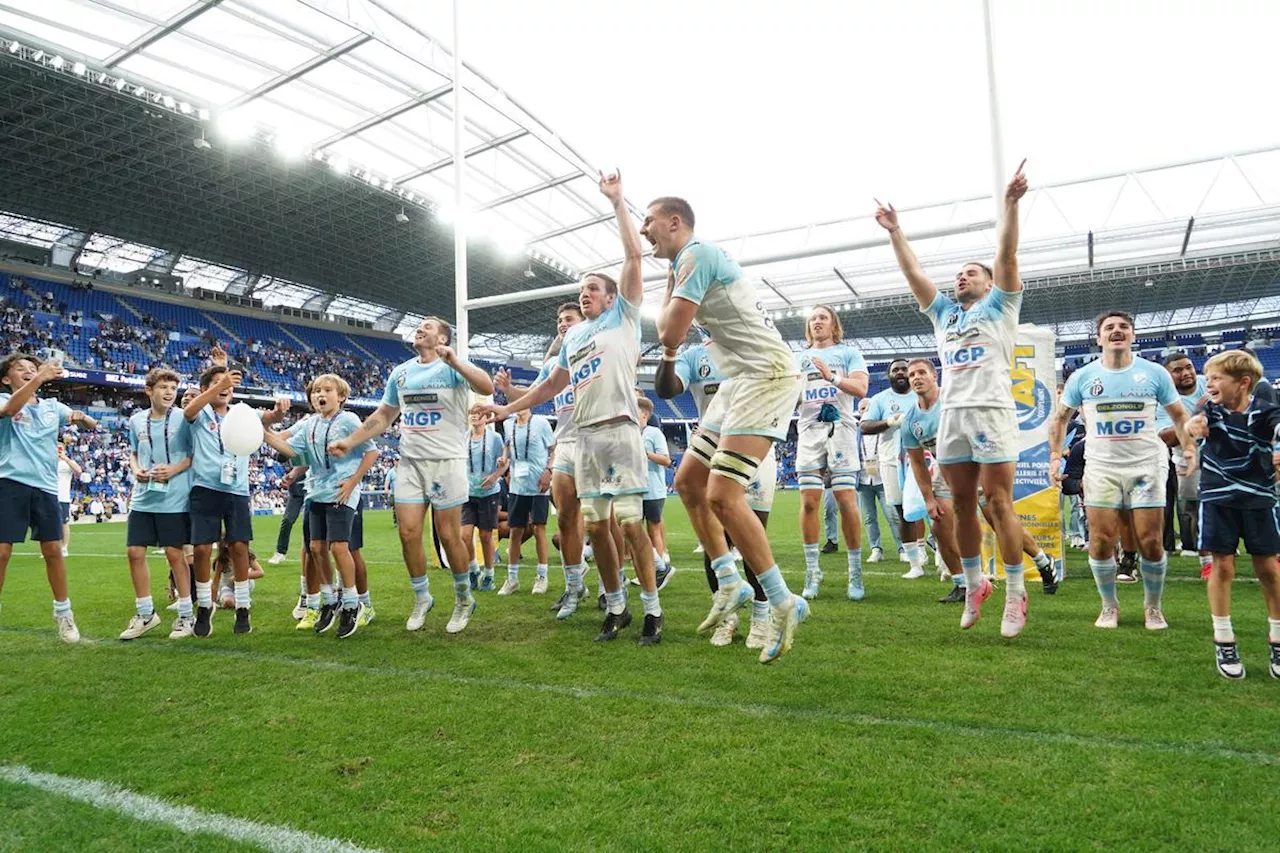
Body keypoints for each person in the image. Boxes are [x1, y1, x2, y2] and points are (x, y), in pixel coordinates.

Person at [475, 171, 664, 645]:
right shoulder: (573, 337)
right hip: (583, 438)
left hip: (620, 430)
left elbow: (634, 255)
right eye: (582, 289)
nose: (585, 293)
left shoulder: (624, 318)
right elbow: (547, 387)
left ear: (612, 297)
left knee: (631, 523)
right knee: (595, 527)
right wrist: (504, 408)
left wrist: (618, 202)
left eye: (593, 288)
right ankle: (615, 605)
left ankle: (652, 610)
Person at [876, 163, 1033, 637]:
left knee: (999, 503)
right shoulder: (944, 314)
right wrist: (896, 232)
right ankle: (973, 583)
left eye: (971, 273)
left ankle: (1015, 592)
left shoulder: (1002, 304)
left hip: (992, 412)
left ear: (989, 282)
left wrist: (1010, 202)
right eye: (959, 274)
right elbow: (913, 272)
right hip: (954, 418)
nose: (961, 277)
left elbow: (1006, 251)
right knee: (961, 504)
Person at [650, 192, 808, 664]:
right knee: (688, 483)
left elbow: (668, 335)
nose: (644, 231)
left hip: (767, 374)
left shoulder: (697, 254)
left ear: (674, 222)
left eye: (649, 222)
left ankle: (782, 600)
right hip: (741, 379)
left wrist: (670, 286)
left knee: (723, 495)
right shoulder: (688, 261)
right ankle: (729, 580)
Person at [329, 317, 494, 635]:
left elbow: (485, 387)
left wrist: (456, 361)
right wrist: (350, 441)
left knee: (449, 536)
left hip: (447, 460)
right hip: (410, 461)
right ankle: (422, 597)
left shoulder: (452, 367)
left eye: (429, 326)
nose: (420, 328)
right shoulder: (401, 372)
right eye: (419, 325)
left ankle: (463, 598)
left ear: (443, 337)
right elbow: (384, 414)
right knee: (407, 533)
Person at [1051, 312, 1197, 631]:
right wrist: (1053, 457)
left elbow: (1178, 414)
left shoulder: (1154, 373)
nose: (1117, 331)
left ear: (1132, 336)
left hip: (1145, 464)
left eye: (1123, 328)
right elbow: (1061, 419)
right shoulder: (1083, 377)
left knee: (1151, 541)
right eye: (1109, 328)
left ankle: (1153, 607)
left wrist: (1188, 448)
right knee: (1101, 541)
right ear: (1099, 338)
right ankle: (1108, 606)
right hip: (1102, 466)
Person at [654, 336, 773, 648]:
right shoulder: (694, 355)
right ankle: (726, 618)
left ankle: (762, 616)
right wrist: (669, 348)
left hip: (756, 448)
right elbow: (667, 389)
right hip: (712, 450)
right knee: (714, 542)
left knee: (753, 537)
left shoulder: (752, 339)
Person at [1186, 349, 1280, 680]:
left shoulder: (1266, 410)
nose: (1208, 383)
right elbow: (1195, 422)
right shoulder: (1209, 411)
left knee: (1268, 568)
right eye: (1207, 377)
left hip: (1258, 499)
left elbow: (1277, 426)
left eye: (1215, 378)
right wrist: (1192, 425)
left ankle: (1277, 638)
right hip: (1217, 498)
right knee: (1222, 565)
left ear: (1242, 383)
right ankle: (1223, 638)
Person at [264, 373, 379, 638]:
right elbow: (291, 450)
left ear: (341, 396)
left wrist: (352, 483)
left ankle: (351, 604)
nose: (320, 394)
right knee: (316, 548)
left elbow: (372, 451)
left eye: (327, 390)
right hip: (315, 493)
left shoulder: (349, 420)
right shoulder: (309, 424)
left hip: (341, 493)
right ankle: (328, 600)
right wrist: (262, 433)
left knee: (340, 547)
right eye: (316, 390)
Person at [497, 303, 591, 619]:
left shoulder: (597, 349)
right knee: (567, 519)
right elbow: (537, 392)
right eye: (560, 321)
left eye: (570, 319)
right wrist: (509, 390)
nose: (563, 325)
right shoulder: (554, 363)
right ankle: (574, 585)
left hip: (597, 439)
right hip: (566, 443)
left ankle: (612, 587)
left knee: (604, 523)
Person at [182, 358, 288, 637]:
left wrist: (277, 413)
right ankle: (204, 606)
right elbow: (188, 410)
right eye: (216, 384)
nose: (224, 387)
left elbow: (267, 421)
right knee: (203, 549)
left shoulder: (242, 413)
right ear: (204, 388)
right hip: (205, 488)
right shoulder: (200, 413)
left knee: (239, 547)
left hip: (237, 489)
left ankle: (243, 606)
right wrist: (219, 383)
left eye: (227, 384)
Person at [0, 354, 97, 642]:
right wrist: (40, 377)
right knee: (2, 551)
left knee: (53, 550)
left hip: (45, 487)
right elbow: (8, 409)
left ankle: (63, 613)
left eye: (33, 369)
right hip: (10, 482)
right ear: (7, 378)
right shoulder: (3, 399)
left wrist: (84, 418)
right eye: (22, 369)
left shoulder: (53, 407)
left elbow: (88, 424)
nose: (30, 372)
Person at [793, 306, 869, 601]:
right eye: (812, 319)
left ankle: (855, 571)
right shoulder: (796, 358)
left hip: (842, 431)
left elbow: (861, 388)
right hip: (809, 431)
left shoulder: (848, 353)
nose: (817, 322)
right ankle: (812, 571)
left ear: (833, 325)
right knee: (809, 502)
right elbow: (790, 394)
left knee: (847, 501)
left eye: (823, 317)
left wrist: (832, 378)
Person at [120, 368, 195, 640]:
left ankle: (186, 615)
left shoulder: (184, 419)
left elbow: (193, 456)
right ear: (148, 390)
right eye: (163, 387)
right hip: (143, 496)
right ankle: (146, 613)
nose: (168, 392)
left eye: (172, 389)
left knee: (175, 555)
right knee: (134, 553)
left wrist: (174, 470)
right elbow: (132, 453)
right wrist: (136, 469)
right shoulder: (136, 420)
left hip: (174, 498)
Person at [898, 360, 966, 603]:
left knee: (999, 519)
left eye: (921, 373)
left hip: (976, 468)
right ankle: (963, 584)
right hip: (946, 474)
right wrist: (928, 499)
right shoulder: (910, 420)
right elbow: (917, 462)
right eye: (912, 374)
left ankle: (1040, 560)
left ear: (934, 375)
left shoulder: (954, 402)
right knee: (939, 526)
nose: (916, 377)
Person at [859, 359, 916, 568]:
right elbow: (864, 426)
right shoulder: (879, 399)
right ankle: (914, 561)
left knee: (933, 510)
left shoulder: (922, 394)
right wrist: (890, 422)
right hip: (892, 462)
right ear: (888, 375)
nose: (901, 373)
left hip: (923, 461)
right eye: (896, 370)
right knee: (902, 512)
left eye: (904, 369)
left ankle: (937, 553)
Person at [1163, 352, 1213, 576]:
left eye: (1188, 367)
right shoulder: (1166, 399)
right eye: (1177, 370)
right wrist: (1194, 416)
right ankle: (1194, 547)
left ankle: (1220, 546)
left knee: (1219, 504)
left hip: (1220, 454)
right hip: (1185, 458)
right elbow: (1166, 437)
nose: (1185, 373)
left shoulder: (1209, 384)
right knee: (1191, 505)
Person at [500, 407, 555, 596]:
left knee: (539, 528)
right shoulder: (508, 424)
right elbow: (507, 446)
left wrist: (549, 471)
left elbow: (554, 449)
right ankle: (512, 578)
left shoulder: (541, 423)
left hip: (539, 485)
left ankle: (542, 575)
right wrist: (504, 459)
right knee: (515, 530)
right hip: (517, 485)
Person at [462, 412, 507, 591]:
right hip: (468, 493)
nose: (474, 416)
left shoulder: (495, 438)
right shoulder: (464, 437)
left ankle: (489, 575)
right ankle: (473, 570)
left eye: (478, 413)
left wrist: (495, 476)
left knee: (486, 536)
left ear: (486, 417)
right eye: (471, 413)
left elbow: (505, 462)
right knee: (464, 536)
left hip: (489, 493)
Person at [638, 396, 676, 589]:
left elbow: (666, 460)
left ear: (644, 414)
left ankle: (660, 569)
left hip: (653, 489)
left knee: (653, 530)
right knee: (635, 530)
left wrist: (646, 455)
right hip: (635, 489)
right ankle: (647, 568)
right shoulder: (632, 432)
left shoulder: (654, 433)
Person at [268, 467, 307, 565]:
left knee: (311, 525)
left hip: (313, 490)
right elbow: (281, 458)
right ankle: (280, 552)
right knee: (287, 520)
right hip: (296, 492)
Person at [56, 442, 80, 557]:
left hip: (63, 496)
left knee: (64, 522)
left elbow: (78, 470)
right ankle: (52, 547)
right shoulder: (49, 462)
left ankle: (64, 547)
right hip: (50, 495)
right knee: (48, 522)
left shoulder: (68, 463)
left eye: (60, 448)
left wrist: (65, 458)